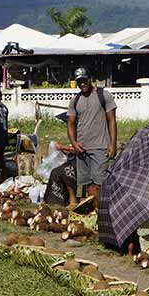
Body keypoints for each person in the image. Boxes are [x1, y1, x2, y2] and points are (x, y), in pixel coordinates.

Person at [65, 68, 117, 203]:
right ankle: (93, 210)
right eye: (79, 82)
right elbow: (70, 123)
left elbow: (111, 120)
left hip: (100, 146)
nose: (82, 84)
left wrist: (112, 144)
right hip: (82, 148)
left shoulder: (103, 95)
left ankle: (101, 209)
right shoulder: (75, 100)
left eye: (84, 80)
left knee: (100, 182)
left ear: (90, 79)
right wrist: (74, 143)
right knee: (87, 182)